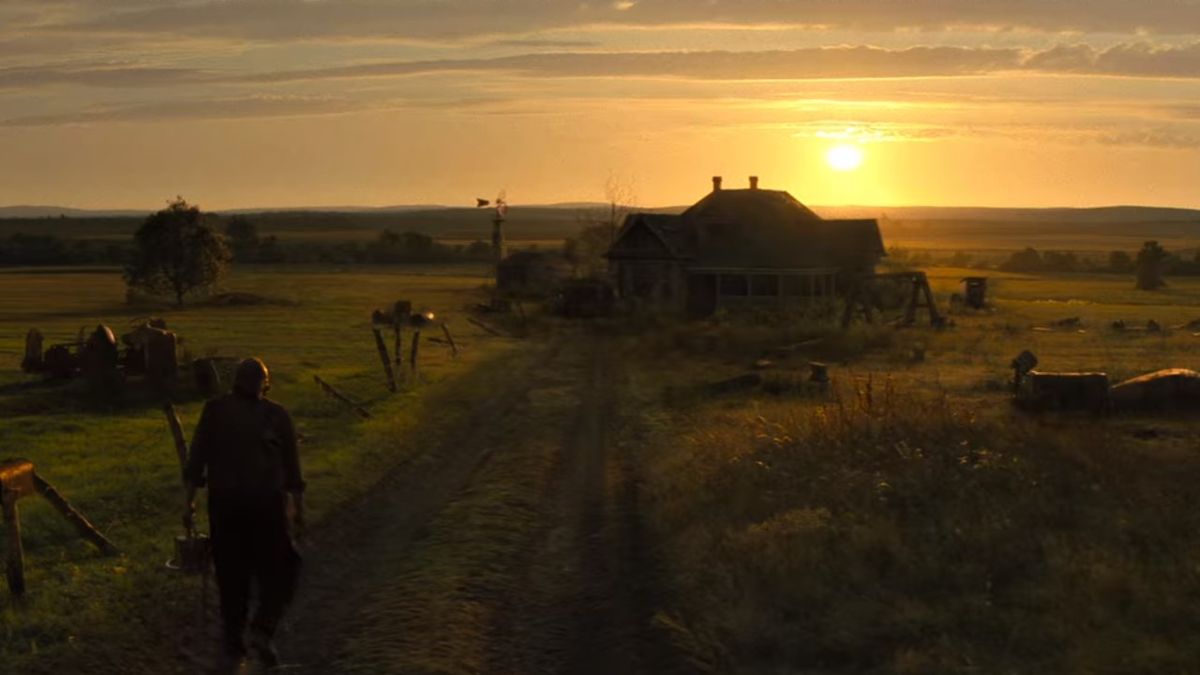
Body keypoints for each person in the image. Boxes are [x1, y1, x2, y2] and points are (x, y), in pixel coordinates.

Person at [184, 357, 305, 669]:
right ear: (264, 384)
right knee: (283, 568)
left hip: (224, 505)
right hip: (267, 505)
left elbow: (196, 460)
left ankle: (233, 643)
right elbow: (292, 469)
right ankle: (263, 628)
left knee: (231, 574)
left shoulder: (214, 410)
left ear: (235, 382)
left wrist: (189, 503)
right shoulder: (277, 415)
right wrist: (299, 512)